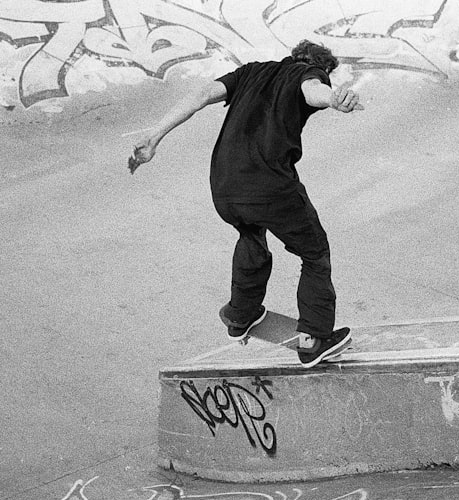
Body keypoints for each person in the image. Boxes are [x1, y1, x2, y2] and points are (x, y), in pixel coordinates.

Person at [129, 40, 362, 367]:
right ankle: (315, 338)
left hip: (224, 185)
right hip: (268, 184)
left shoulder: (251, 72)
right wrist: (334, 98)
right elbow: (312, 90)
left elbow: (201, 96)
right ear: (321, 67)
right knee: (314, 251)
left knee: (251, 234)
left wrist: (154, 137)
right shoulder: (310, 73)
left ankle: (241, 314)